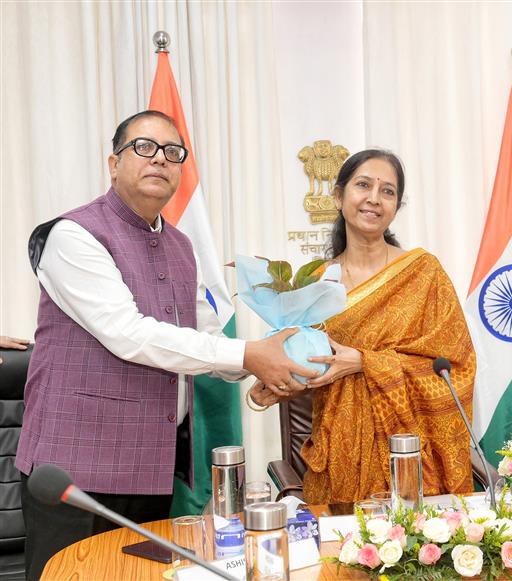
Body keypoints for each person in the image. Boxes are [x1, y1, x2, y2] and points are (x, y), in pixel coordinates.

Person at [17, 110, 316, 580]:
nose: (160, 159)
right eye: (144, 147)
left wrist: (266, 365)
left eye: (173, 152)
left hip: (150, 467)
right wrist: (250, 356)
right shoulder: (72, 236)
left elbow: (206, 339)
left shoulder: (180, 245)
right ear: (113, 164)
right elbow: (128, 334)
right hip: (76, 471)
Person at [247, 149, 476, 503]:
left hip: (410, 455)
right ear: (338, 197)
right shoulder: (315, 284)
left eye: (387, 191)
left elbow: (456, 369)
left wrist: (364, 362)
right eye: (363, 185)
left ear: (396, 207)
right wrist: (278, 384)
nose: (374, 198)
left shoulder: (423, 273)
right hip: (339, 451)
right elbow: (312, 368)